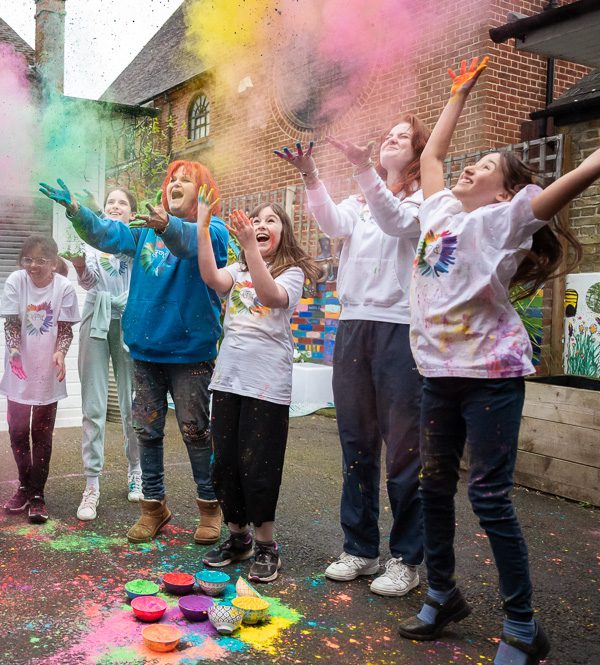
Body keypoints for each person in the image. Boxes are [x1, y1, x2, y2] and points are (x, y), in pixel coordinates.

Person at [397, 58, 594, 665]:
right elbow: (431, 160)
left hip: (491, 378)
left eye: (484, 168)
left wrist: (592, 162)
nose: (467, 168)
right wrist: (457, 94)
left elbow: (565, 187)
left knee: (487, 496)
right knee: (432, 488)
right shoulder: (438, 213)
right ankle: (442, 593)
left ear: (506, 191)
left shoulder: (502, 221)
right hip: (438, 376)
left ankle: (523, 625)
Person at [274, 115, 431, 596]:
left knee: (405, 452)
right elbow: (331, 221)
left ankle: (406, 558)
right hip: (354, 326)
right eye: (389, 132)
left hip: (401, 328)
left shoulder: (426, 200)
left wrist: (364, 170)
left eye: (402, 136)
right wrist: (311, 175)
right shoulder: (362, 199)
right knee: (356, 444)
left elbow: (397, 221)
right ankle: (361, 549)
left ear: (421, 152)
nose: (391, 137)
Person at [39, 161, 229, 545]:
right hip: (145, 352)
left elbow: (189, 245)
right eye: (171, 179)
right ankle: (153, 507)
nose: (174, 183)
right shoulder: (143, 232)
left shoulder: (215, 231)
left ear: (203, 191)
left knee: (196, 432)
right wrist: (77, 210)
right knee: (148, 431)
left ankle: (210, 506)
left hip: (190, 355)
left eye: (185, 179)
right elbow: (108, 234)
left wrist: (166, 226)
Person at [195, 186, 321, 583]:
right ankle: (238, 537)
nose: (263, 224)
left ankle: (267, 545)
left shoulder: (292, 272)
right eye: (258, 218)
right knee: (226, 463)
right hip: (228, 379)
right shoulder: (238, 269)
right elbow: (212, 278)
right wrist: (201, 228)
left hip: (267, 385)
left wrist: (250, 246)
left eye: (272, 220)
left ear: (284, 233)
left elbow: (270, 296)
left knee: (259, 466)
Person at [64, 187, 142, 522]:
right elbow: (88, 282)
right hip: (95, 316)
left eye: (122, 203)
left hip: (130, 319)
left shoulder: (139, 240)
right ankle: (91, 485)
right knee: (93, 405)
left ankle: (136, 470)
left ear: (131, 214)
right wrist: (80, 267)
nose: (114, 206)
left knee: (133, 404)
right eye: (110, 202)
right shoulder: (90, 240)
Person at [0, 235, 79, 523]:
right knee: (17, 432)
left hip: (48, 372)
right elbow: (11, 324)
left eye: (41, 260)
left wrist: (60, 353)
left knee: (41, 435)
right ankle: (23, 487)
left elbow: (66, 330)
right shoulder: (15, 281)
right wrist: (15, 350)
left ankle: (37, 495)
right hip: (19, 368)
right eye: (28, 259)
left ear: (54, 262)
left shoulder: (64, 288)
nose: (34, 265)